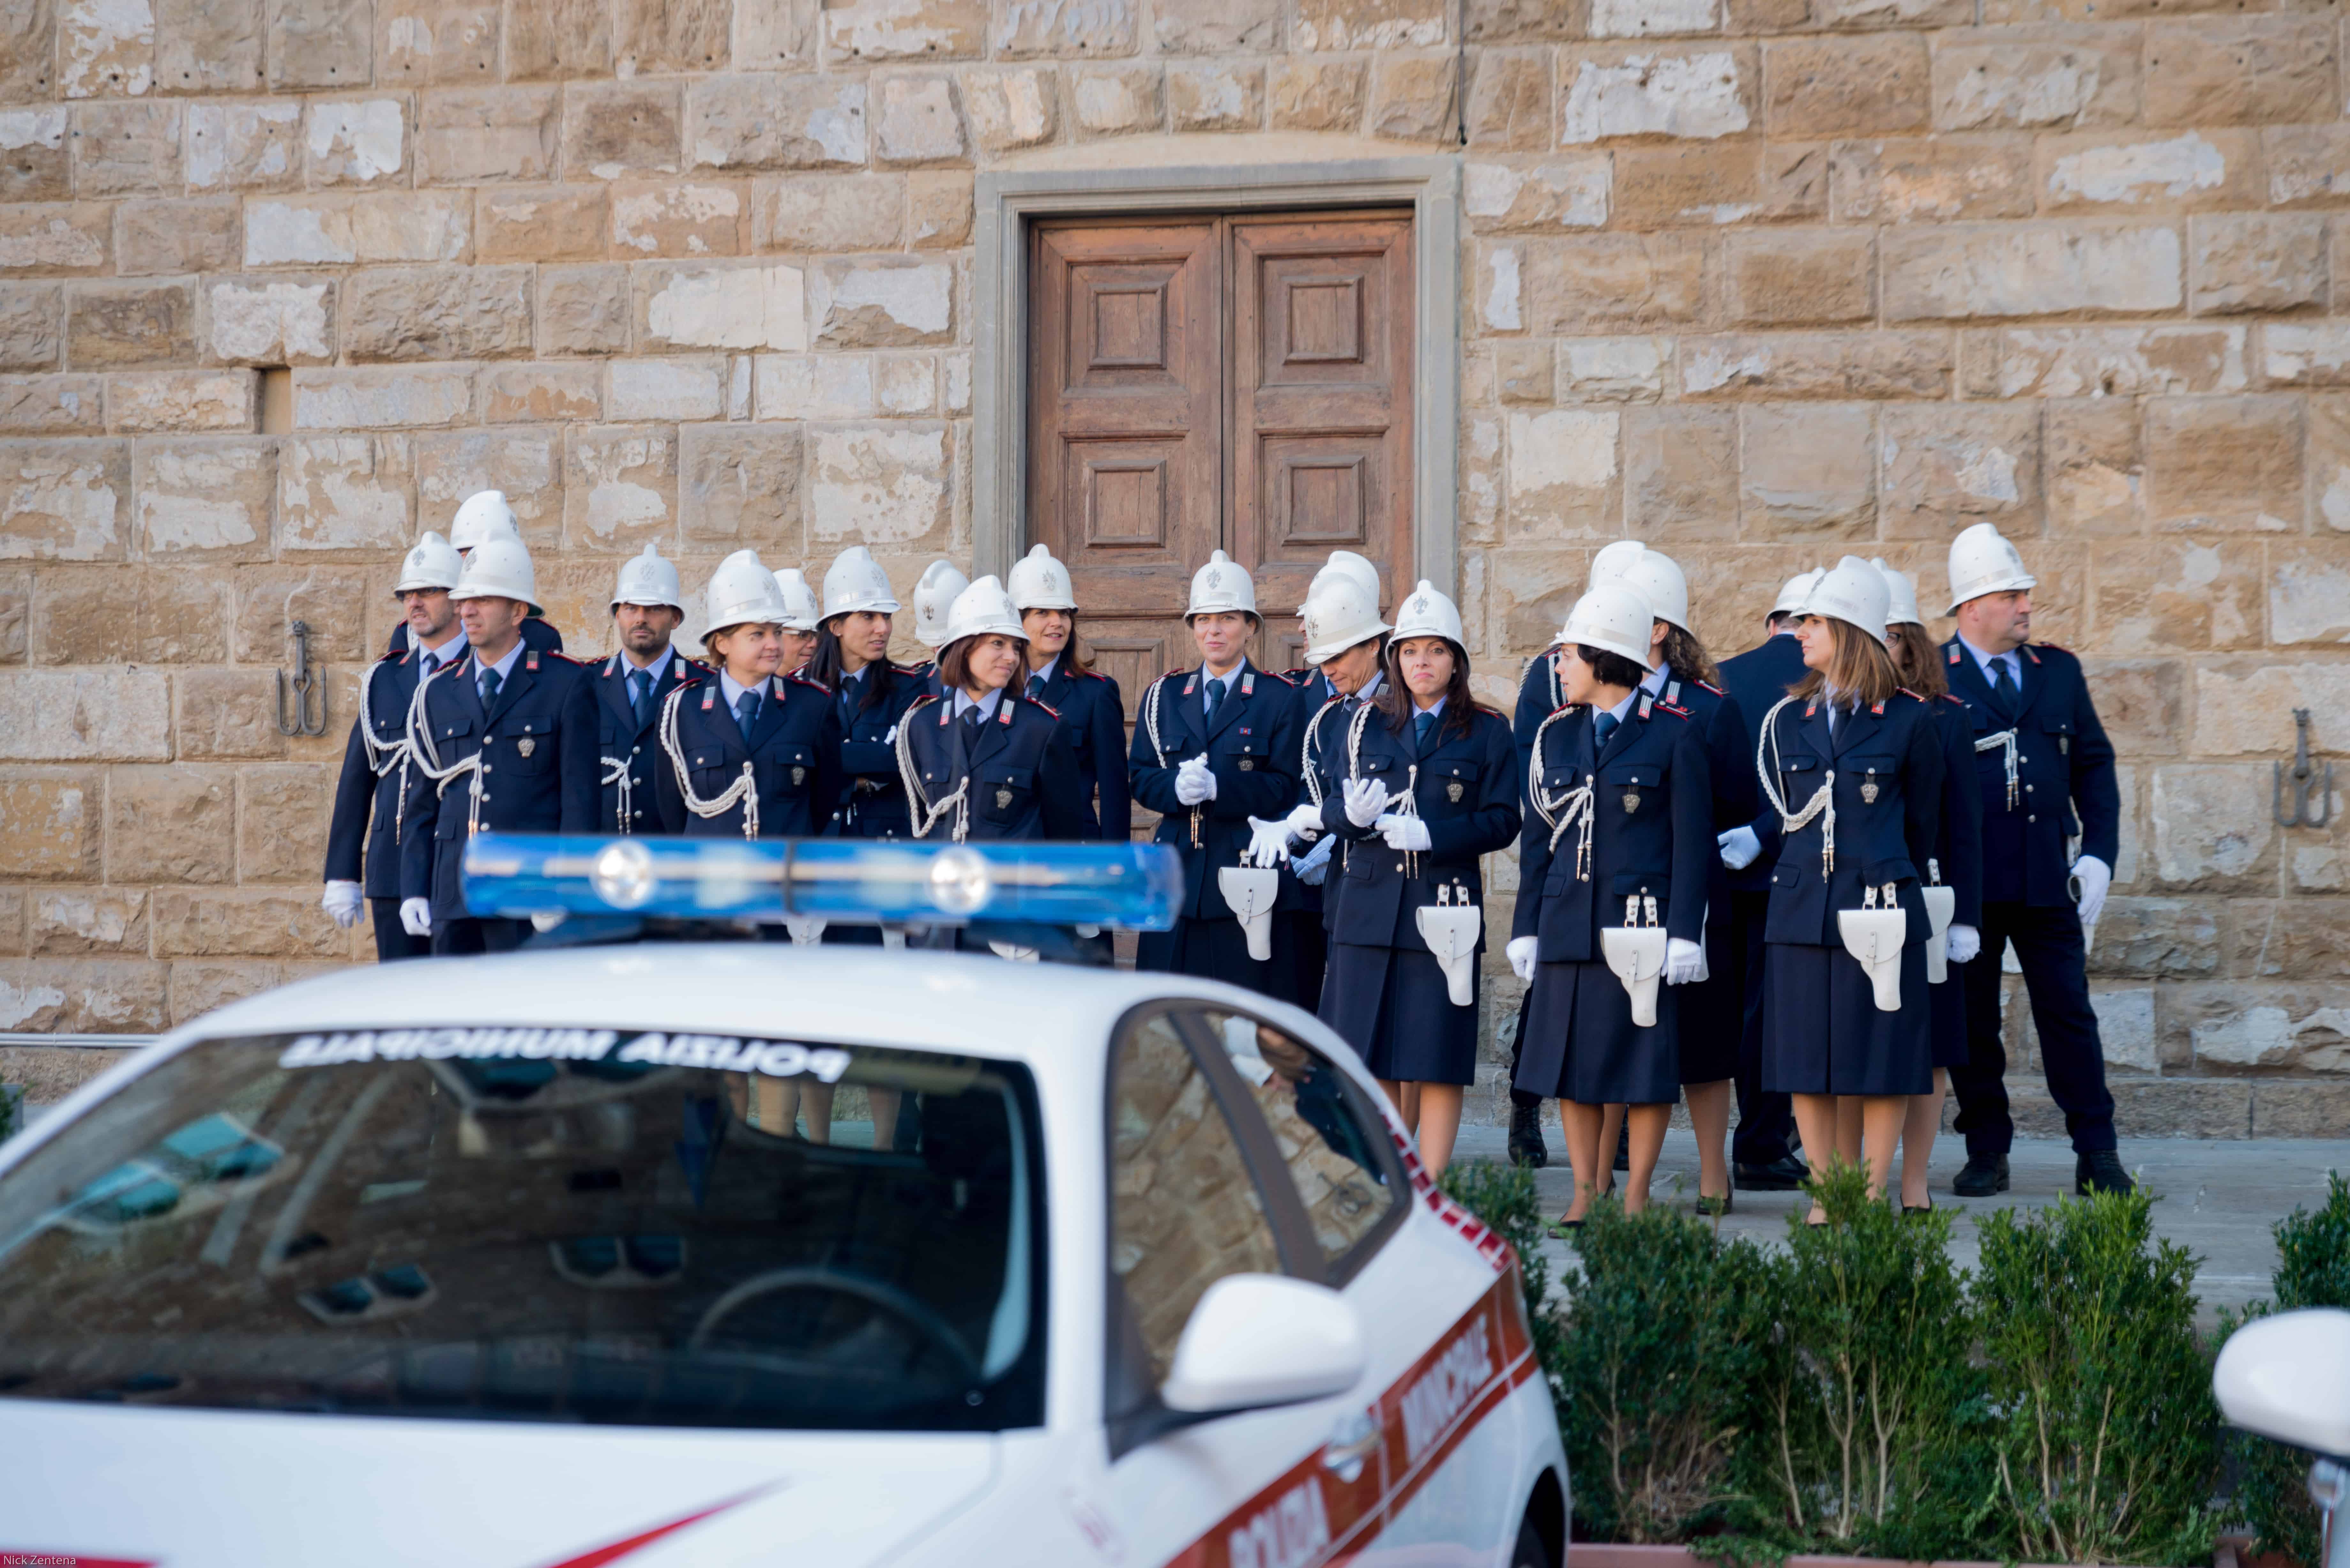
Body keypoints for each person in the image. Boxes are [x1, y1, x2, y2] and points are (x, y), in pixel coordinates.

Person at [1719, 556, 1944, 1216]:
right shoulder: (1786, 720)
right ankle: (1826, 1192)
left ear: (1847, 631)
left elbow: (1922, 827)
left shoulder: (1908, 720)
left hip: (1877, 906)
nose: (1799, 632)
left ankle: (1868, 1191)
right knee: (1802, 1061)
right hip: (1798, 909)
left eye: (1813, 621)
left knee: (1880, 1059)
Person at [1507, 583, 1710, 1227]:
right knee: (1571, 1067)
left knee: (1641, 1068)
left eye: (1567, 655)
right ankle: (1585, 1189)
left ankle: (1635, 1191)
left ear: (1602, 659)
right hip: (1568, 922)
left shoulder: (1671, 736)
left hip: (1639, 929)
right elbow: (1538, 839)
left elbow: (1691, 845)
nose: (1557, 668)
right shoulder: (1555, 737)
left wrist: (1685, 933)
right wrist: (1525, 927)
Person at [1937, 523, 2129, 1197]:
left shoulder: (2059, 672)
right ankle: (1986, 1146)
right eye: (2009, 595)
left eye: (2024, 594)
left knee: (2068, 1014)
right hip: (1970, 884)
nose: (2024, 606)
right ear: (1969, 609)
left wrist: (2099, 854)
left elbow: (2094, 766)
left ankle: (2095, 1150)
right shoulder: (1933, 675)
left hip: (2049, 877)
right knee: (1971, 1021)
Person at [1302, 581, 1516, 1178]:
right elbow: (1334, 808)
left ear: (1457, 660)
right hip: (1367, 907)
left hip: (1442, 909)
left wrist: (1437, 836)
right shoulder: (1361, 724)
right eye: (1411, 651)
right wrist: (1353, 819)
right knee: (1375, 1054)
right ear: (1395, 659)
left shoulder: (1489, 731)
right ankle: (1387, 1172)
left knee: (1437, 1055)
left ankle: (1434, 1180)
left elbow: (1504, 819)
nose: (1422, 663)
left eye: (1436, 650)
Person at [1596, 548, 1754, 1215]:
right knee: (1613, 1040)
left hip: (1691, 903)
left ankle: (1713, 1173)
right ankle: (1599, 1174)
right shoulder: (1590, 701)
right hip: (1617, 903)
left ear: (1658, 630)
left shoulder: (1708, 709)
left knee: (1702, 1047)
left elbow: (1738, 802)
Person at [1503, 539, 1649, 1169]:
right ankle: (1523, 1104)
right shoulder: (1552, 667)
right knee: (1548, 1003)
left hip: (1630, 858)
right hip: (1572, 842)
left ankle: (1614, 1125)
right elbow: (1538, 753)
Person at [397, 536, 599, 955]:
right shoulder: (438, 692)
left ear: (518, 611)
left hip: (527, 892)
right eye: (464, 599)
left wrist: (566, 888)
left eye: (483, 600)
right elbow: (422, 803)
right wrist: (414, 887)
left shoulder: (564, 685)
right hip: (453, 893)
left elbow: (580, 801)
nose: (467, 610)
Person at [1129, 551, 1306, 1002]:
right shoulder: (1164, 695)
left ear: (1250, 626)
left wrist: (1219, 789)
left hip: (1246, 877)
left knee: (1242, 1018)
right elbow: (1141, 777)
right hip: (1175, 881)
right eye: (1204, 620)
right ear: (1192, 627)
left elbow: (1286, 784)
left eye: (1227, 618)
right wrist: (1174, 789)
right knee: (1167, 1017)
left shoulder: (1278, 698)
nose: (1214, 631)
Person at [1712, 565, 1823, 1193]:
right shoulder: (1820, 680)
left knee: (1717, 1013)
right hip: (1790, 872)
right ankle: (1759, 1140)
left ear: (1770, 622)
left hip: (1719, 867)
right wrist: (1765, 829)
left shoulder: (1722, 674)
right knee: (1767, 1015)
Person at [1878, 559, 1984, 1214]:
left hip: (1931, 896)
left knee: (1932, 1047)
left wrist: (1966, 915)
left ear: (1909, 641)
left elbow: (1963, 823)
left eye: (1889, 635)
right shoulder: (1839, 714)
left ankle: (1912, 1177)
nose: (1879, 647)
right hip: (1865, 901)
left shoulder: (1944, 717)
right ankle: (1857, 1177)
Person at [321, 531, 468, 962]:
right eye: (407, 594)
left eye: (428, 591)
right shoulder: (386, 678)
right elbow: (357, 777)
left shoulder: (478, 673)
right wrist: (342, 872)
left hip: (452, 863)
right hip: (392, 861)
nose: (414, 603)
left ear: (459, 598)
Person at [653, 550, 843, 843]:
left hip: (783, 873)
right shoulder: (681, 710)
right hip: (714, 873)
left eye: (777, 632)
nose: (773, 644)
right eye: (758, 634)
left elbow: (823, 800)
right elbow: (673, 808)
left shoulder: (812, 706)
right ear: (723, 642)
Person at [897, 574, 1089, 849]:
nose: (1012, 657)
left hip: (1015, 886)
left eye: (1017, 647)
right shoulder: (921, 724)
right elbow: (915, 823)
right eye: (998, 643)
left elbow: (1064, 835)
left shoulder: (1041, 728)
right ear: (963, 649)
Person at [1281, 551, 1390, 1007]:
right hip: (1310, 883)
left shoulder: (1400, 703)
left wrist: (1333, 829)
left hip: (1381, 884)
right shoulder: (1303, 697)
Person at [1007, 543, 1130, 842]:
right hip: (1009, 849)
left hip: (1073, 851)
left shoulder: (1096, 694)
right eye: (1042, 613)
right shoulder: (996, 691)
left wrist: (1115, 864)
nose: (1057, 623)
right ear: (1017, 620)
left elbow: (1115, 793)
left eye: (1064, 613)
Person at [813, 546, 926, 851]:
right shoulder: (803, 687)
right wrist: (860, 778)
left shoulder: (910, 687)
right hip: (819, 845)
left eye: (886, 616)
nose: (883, 628)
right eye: (868, 616)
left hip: (884, 848)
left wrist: (825, 760)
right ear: (835, 626)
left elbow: (899, 761)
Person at [594, 544, 699, 836]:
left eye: (654, 609)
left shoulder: (701, 686)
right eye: (631, 608)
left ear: (676, 618)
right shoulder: (585, 684)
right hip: (601, 852)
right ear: (617, 615)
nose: (641, 618)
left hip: (672, 851)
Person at [385, 491, 562, 657]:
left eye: (494, 557)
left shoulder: (541, 636)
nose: (480, 566)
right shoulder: (412, 633)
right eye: (472, 556)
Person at [905, 559, 968, 692]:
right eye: (935, 644)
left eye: (946, 642)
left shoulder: (995, 680)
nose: (937, 651)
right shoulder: (918, 683)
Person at [772, 567, 822, 677]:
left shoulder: (820, 690)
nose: (814, 644)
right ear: (776, 634)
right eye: (803, 634)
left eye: (816, 635)